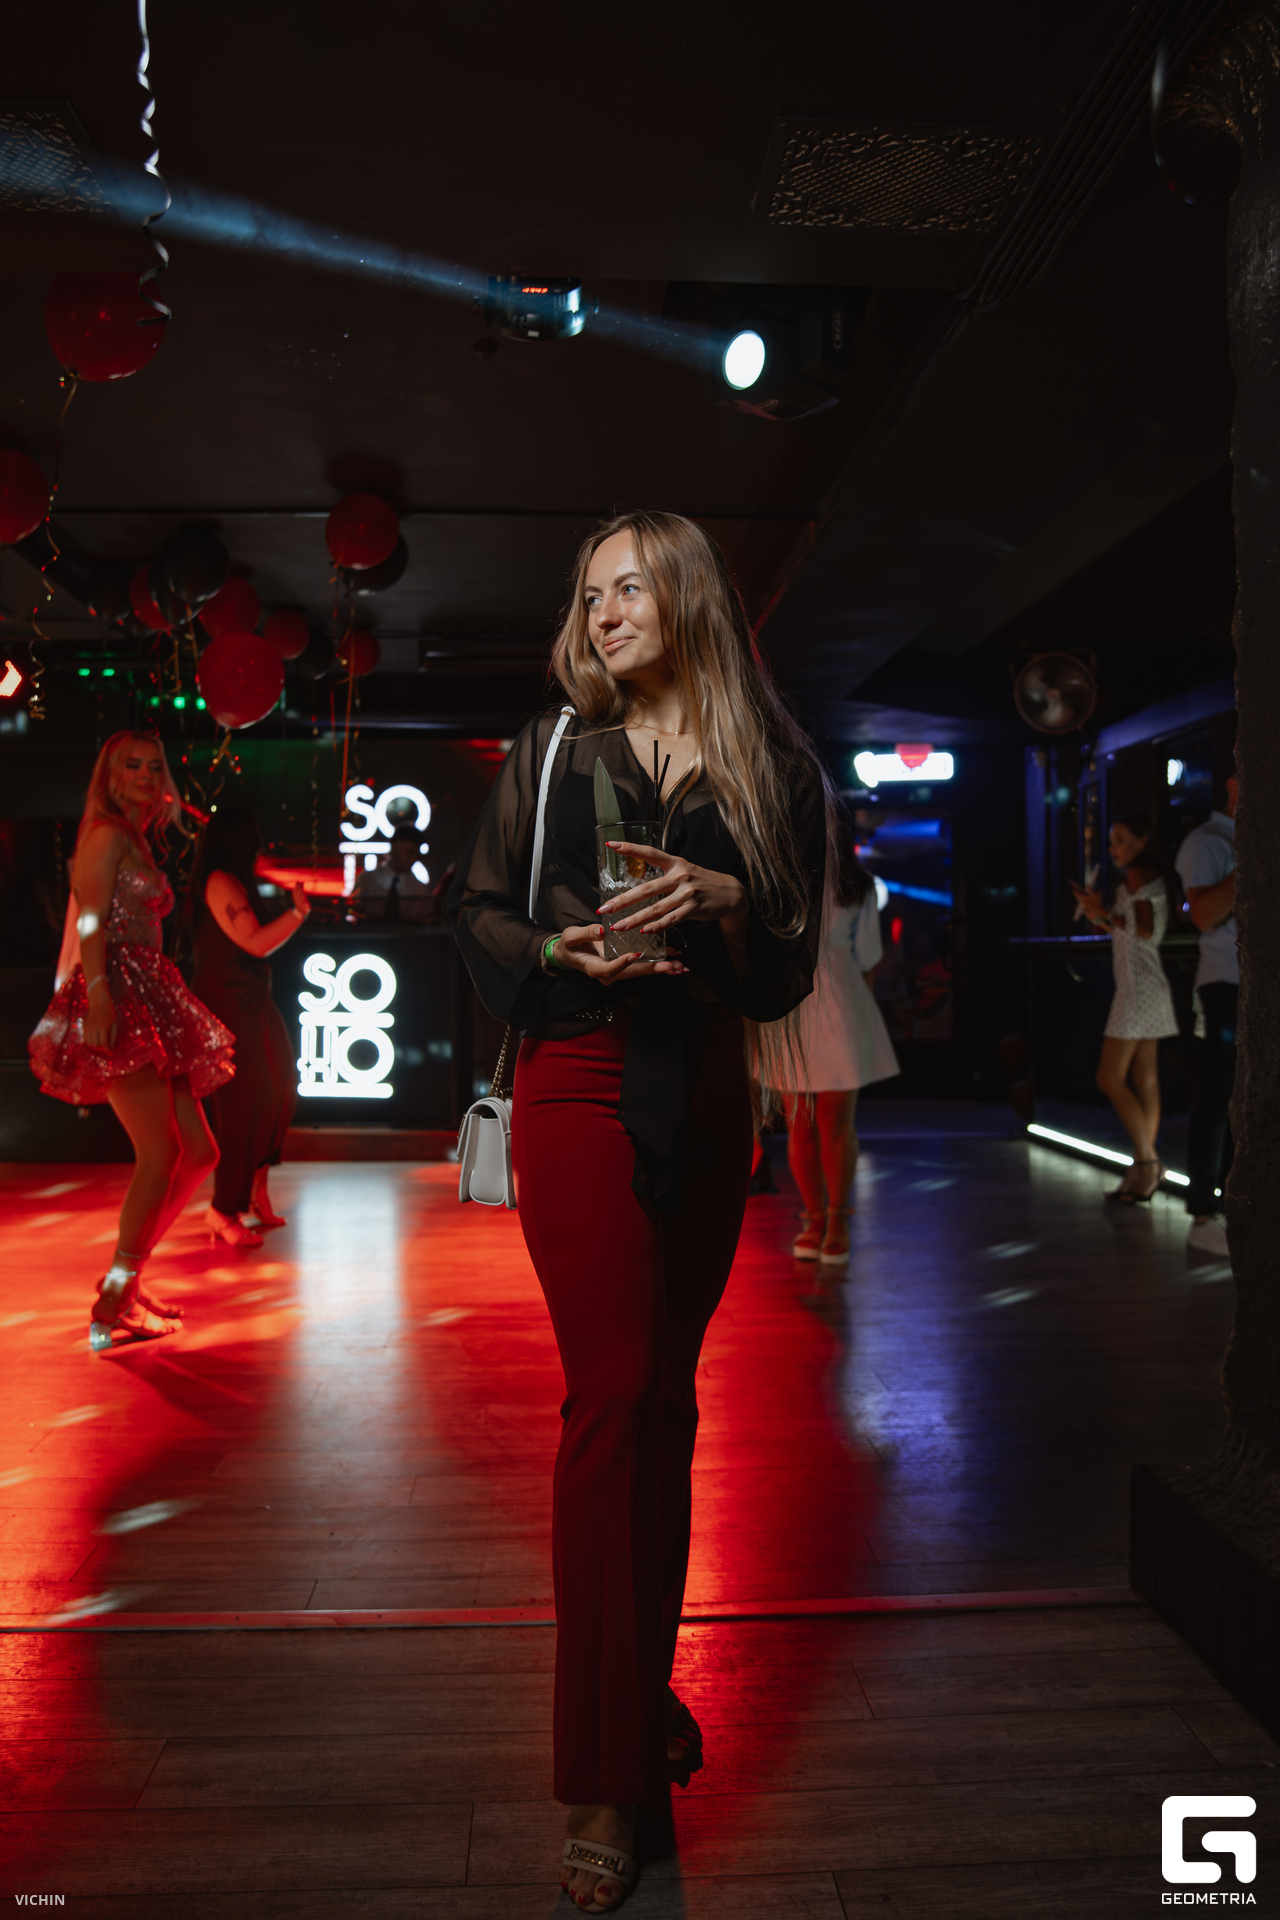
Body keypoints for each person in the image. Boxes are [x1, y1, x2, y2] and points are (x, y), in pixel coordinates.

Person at [449, 511, 826, 1912]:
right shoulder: (554, 748)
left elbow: (785, 969)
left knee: (666, 1403)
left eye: (627, 588)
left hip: (707, 1089)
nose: (602, 612)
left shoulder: (772, 767)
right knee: (611, 1395)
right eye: (589, 593)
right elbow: (478, 914)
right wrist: (561, 947)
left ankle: (635, 1686)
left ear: (686, 597)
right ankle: (601, 1772)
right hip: (580, 1079)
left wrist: (727, 900)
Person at [28, 731, 234, 1348]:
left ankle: (128, 1278)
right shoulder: (105, 834)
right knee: (161, 1153)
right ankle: (116, 1296)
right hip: (118, 991)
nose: (146, 774)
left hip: (147, 989)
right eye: (132, 765)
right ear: (110, 776)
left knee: (200, 1153)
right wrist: (98, 996)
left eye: (154, 765)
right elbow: (91, 919)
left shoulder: (136, 836)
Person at [773, 804, 899, 1266]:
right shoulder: (780, 880)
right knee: (801, 1123)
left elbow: (868, 957)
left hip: (841, 1003)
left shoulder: (858, 886)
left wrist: (866, 1023)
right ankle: (813, 1219)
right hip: (795, 1004)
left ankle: (837, 1219)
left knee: (836, 1123)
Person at [187, 808, 310, 1245]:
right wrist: (296, 914)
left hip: (253, 999)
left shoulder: (236, 881)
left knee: (280, 1090)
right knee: (246, 1103)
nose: (259, 851)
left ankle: (256, 1192)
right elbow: (255, 942)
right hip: (227, 1002)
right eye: (254, 842)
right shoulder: (220, 881)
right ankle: (223, 1210)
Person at [1071, 815, 1179, 1204]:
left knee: (1110, 1077)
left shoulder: (1138, 875)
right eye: (1112, 841)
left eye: (1120, 840)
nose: (1113, 848)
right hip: (1146, 983)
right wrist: (1100, 913)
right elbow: (1131, 929)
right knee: (1144, 1077)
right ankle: (1142, 1165)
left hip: (1138, 988)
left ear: (1142, 841)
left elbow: (1143, 931)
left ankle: (1148, 1161)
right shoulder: (1145, 876)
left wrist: (1101, 912)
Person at [1175, 773, 1238, 1255]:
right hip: (1224, 984)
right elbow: (1202, 914)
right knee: (1217, 1098)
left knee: (1248, 1102)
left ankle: (1238, 1209)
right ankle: (1202, 1215)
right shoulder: (1209, 841)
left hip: (1257, 985)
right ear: (1234, 784)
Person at [358, 823, 432, 920]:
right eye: (409, 852)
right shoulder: (367, 880)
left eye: (417, 854)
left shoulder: (421, 890)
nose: (413, 858)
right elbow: (354, 909)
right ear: (394, 847)